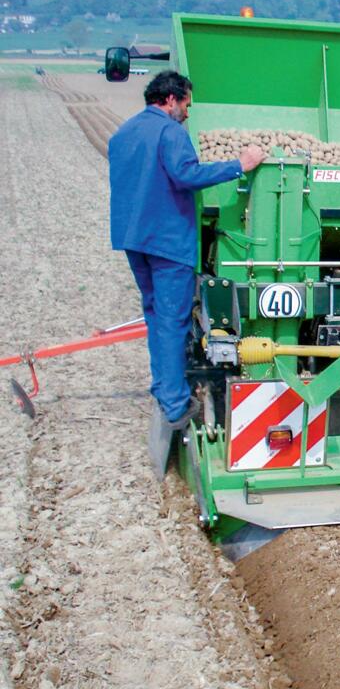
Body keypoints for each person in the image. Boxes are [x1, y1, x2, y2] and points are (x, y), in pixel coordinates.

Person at [109, 70, 265, 429]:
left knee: (155, 316)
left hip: (135, 240)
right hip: (168, 242)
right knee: (173, 321)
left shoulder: (124, 133)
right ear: (171, 99)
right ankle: (176, 404)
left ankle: (163, 386)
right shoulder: (170, 132)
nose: (188, 113)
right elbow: (187, 175)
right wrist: (239, 166)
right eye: (187, 105)